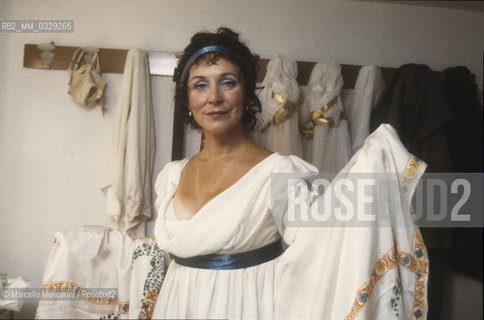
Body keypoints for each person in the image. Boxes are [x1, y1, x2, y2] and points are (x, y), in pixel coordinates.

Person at [152, 27, 429, 319]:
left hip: (247, 307)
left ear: (246, 92)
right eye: (200, 85)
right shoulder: (171, 177)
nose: (213, 98)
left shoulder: (278, 173)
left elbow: (320, 246)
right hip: (176, 305)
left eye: (227, 82)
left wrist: (369, 168)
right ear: (188, 96)